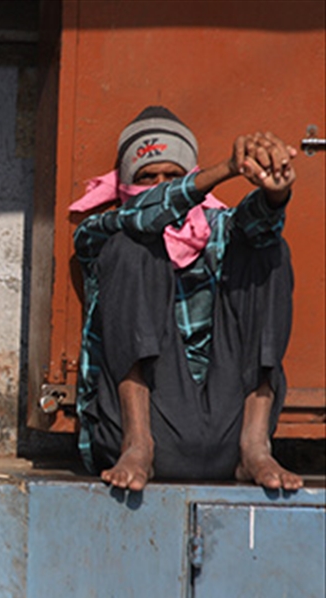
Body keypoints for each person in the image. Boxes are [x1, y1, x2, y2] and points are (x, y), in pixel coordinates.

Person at [71, 105, 303, 492]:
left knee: (268, 249)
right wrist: (228, 167)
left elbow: (255, 223)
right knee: (133, 247)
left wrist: (275, 193)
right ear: (126, 184)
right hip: (142, 432)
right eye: (147, 177)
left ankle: (256, 446)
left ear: (188, 177)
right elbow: (143, 218)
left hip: (224, 430)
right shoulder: (100, 231)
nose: (160, 184)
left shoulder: (220, 230)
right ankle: (138, 443)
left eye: (173, 176)